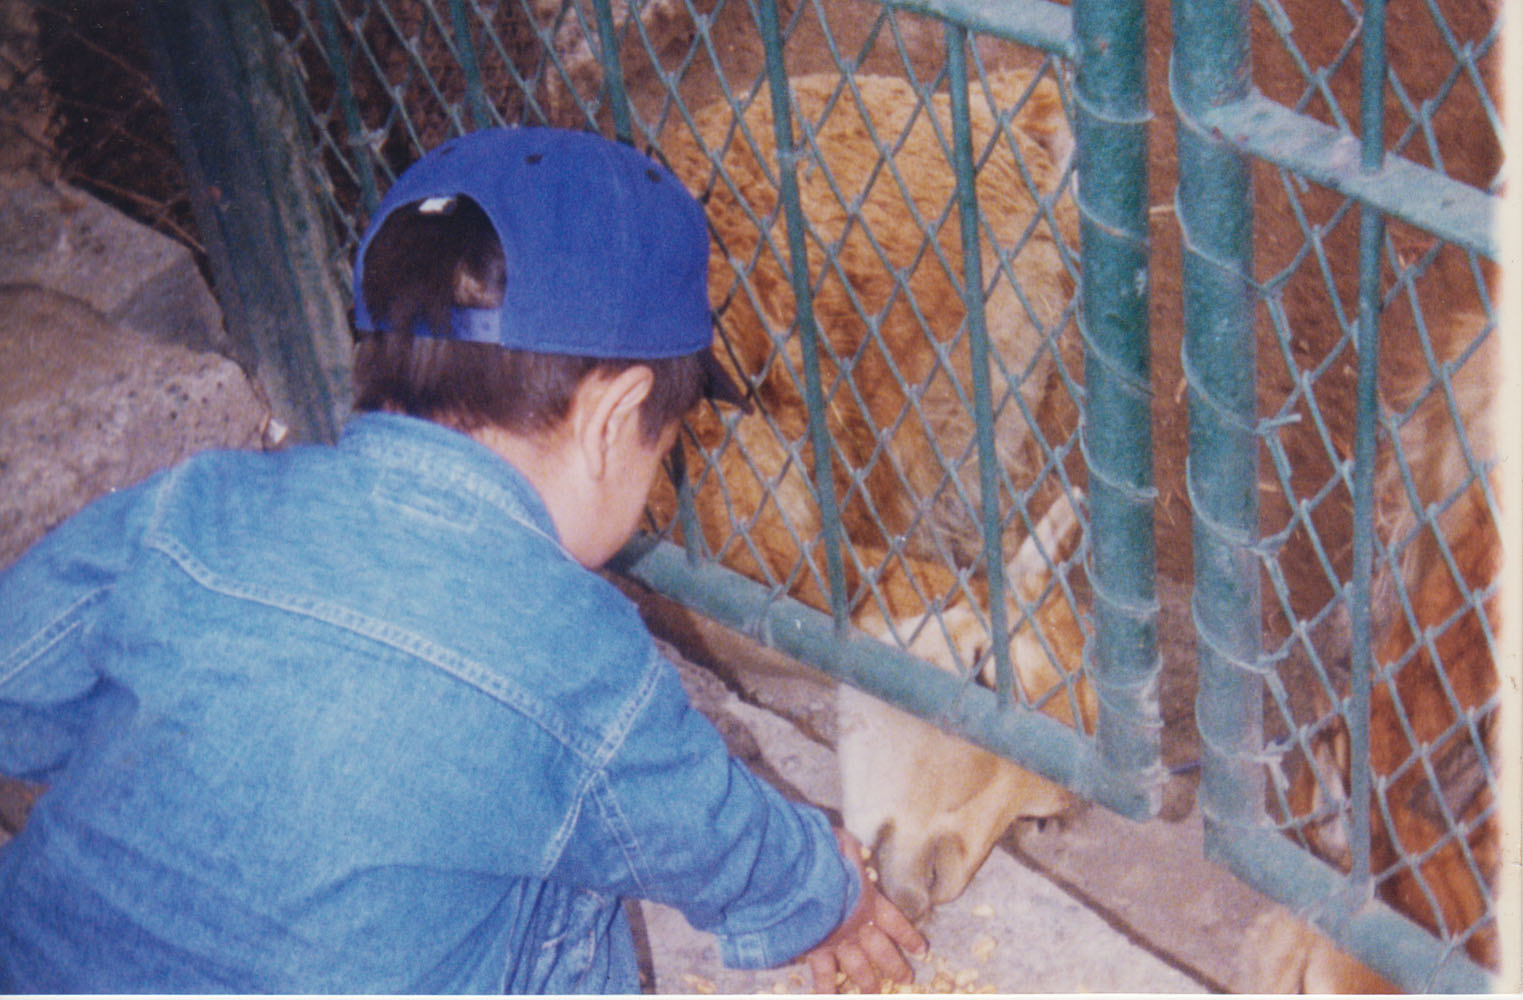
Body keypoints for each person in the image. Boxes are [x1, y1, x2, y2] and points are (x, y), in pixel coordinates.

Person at [0, 126, 925, 993]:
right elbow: (714, 836)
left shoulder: (193, 507)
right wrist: (828, 900)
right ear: (612, 420)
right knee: (570, 845)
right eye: (665, 443)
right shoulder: (575, 656)